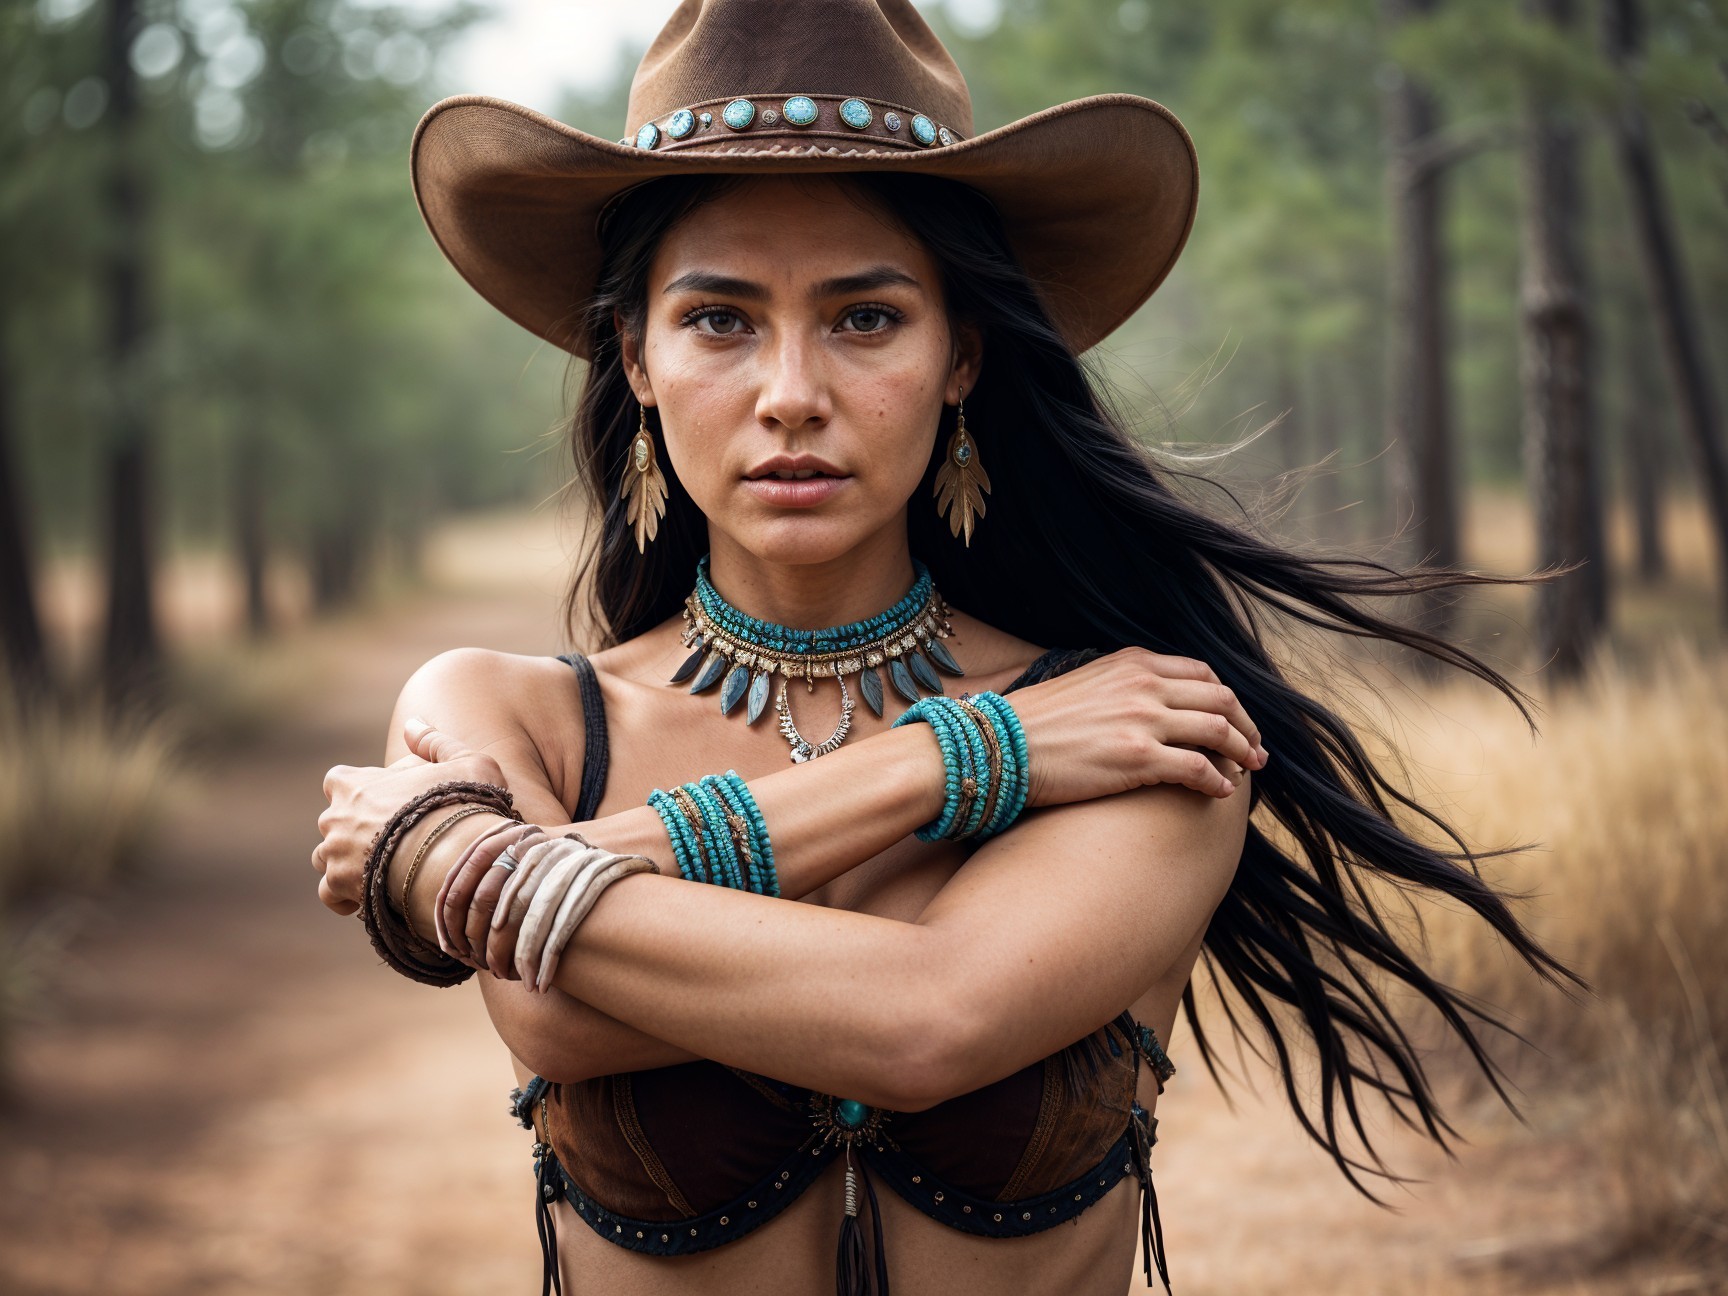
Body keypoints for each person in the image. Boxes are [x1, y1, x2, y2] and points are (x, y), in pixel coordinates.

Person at [312, 2, 1573, 1293]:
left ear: (961, 356)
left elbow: (926, 1021)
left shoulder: (1141, 723)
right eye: (719, 320)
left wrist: (465, 858)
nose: (791, 390)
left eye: (864, 319)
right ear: (632, 355)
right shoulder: (507, 712)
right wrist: (980, 758)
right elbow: (544, 1006)